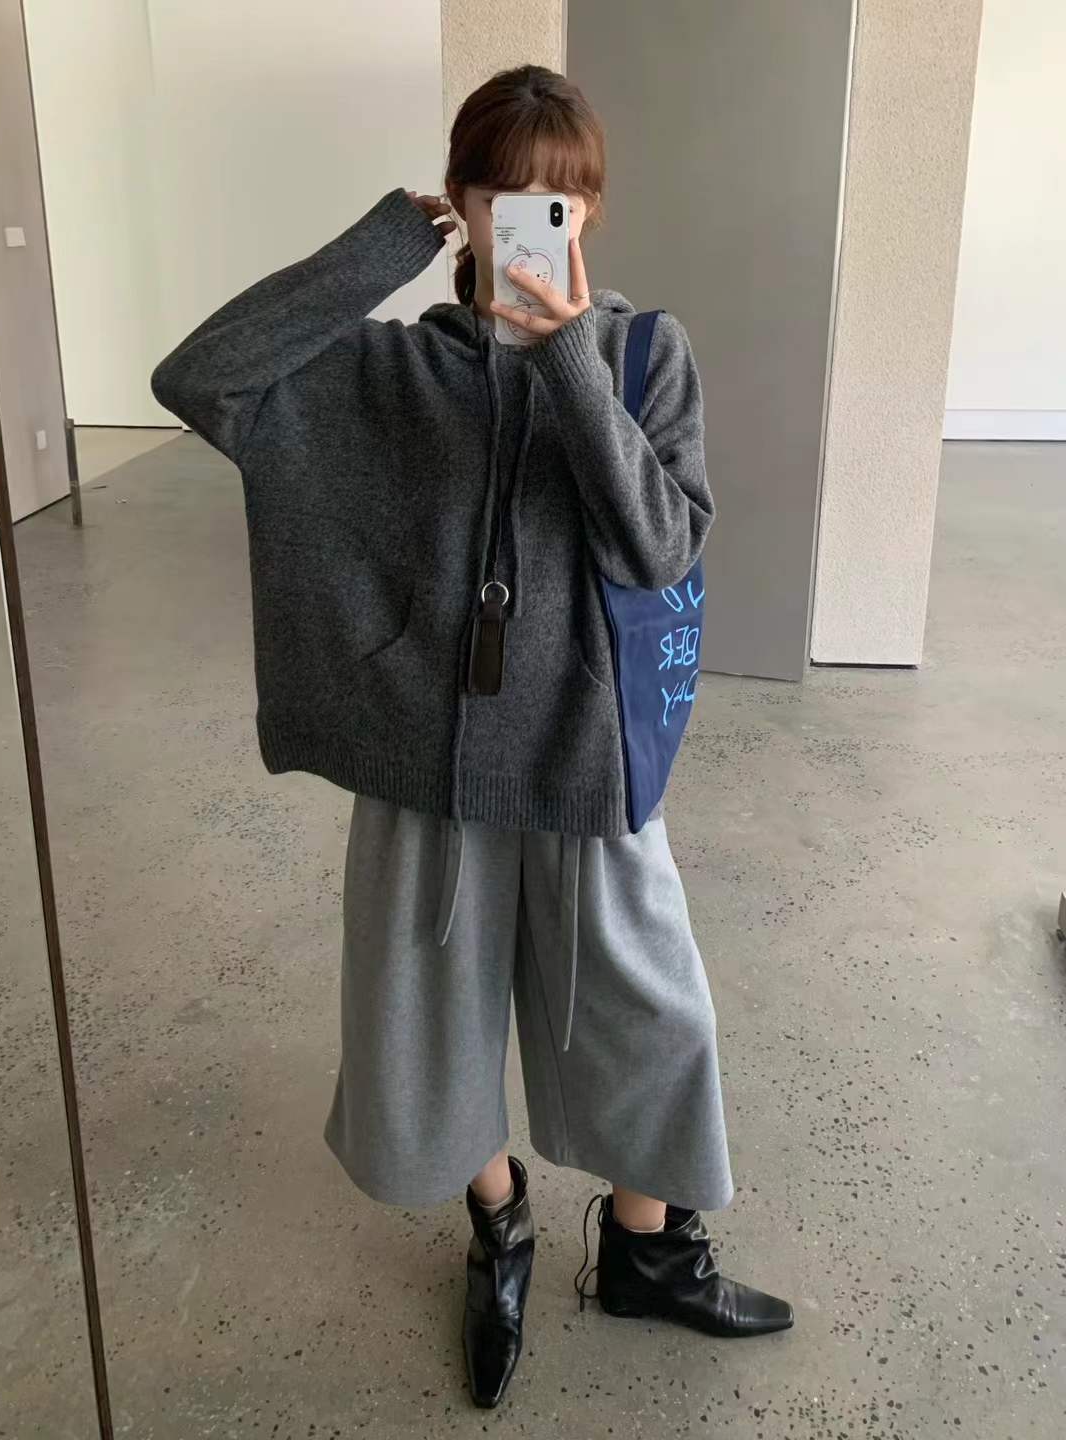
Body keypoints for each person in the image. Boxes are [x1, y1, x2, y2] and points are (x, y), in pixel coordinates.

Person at [150, 63, 793, 1410]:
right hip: (424, 768)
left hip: (585, 756)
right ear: (464, 201)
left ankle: (648, 1250)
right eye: (506, 198)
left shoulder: (642, 355)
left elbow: (659, 544)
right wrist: (382, 247)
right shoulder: (393, 370)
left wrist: (565, 356)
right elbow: (200, 377)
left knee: (653, 1014)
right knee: (423, 1030)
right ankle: (497, 1225)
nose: (535, 224)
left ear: (591, 213)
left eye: (562, 202)